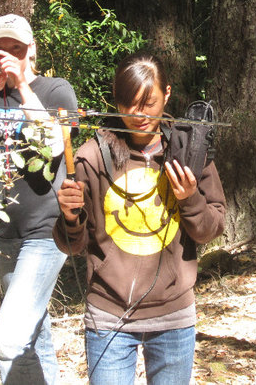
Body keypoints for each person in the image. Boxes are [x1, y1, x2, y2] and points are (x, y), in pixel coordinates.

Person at [53, 52, 226, 385]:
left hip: (174, 314)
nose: (139, 114)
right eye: (128, 104)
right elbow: (72, 245)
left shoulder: (190, 152)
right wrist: (69, 217)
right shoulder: (92, 157)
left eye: (148, 103)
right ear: (116, 104)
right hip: (109, 316)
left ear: (167, 95)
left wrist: (189, 199)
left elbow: (211, 229)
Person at [0, 14, 78, 384]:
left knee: (8, 339)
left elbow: (54, 146)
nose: (7, 57)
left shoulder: (56, 90)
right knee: (34, 336)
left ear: (32, 51)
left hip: (46, 232)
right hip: (2, 235)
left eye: (16, 50)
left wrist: (22, 86)